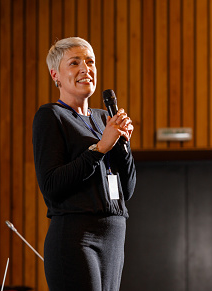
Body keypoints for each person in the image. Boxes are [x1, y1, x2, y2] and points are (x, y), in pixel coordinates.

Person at [32, 37, 137, 291]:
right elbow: (52, 185)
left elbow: (128, 189)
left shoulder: (105, 118)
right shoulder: (51, 116)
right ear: (55, 74)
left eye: (90, 61)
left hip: (113, 235)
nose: (85, 69)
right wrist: (100, 148)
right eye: (74, 63)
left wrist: (122, 144)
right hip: (77, 237)